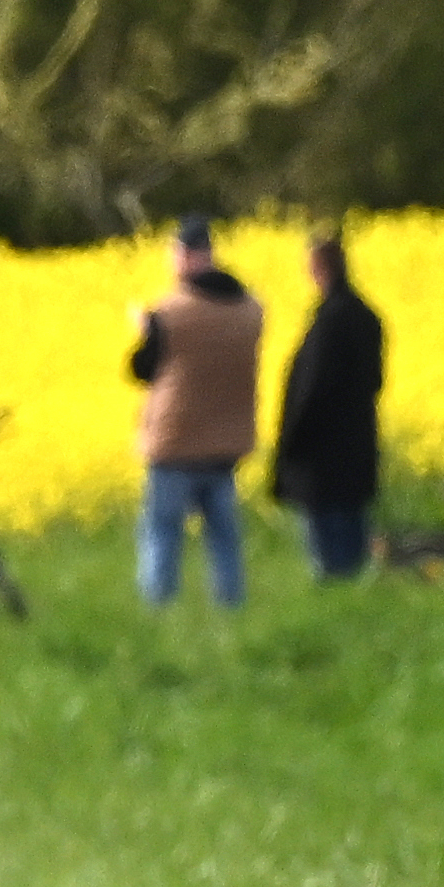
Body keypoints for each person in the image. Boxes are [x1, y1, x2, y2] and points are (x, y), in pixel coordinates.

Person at [129, 216, 265, 607]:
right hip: (227, 444)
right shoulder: (251, 308)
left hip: (175, 443)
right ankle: (231, 611)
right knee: (224, 538)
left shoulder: (169, 312)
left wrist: (144, 329)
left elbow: (141, 370)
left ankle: (159, 611)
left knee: (162, 533)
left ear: (186, 256)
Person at [270, 230, 385, 581]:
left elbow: (311, 390)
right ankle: (356, 605)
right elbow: (376, 381)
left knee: (330, 560)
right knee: (355, 543)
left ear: (319, 269)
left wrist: (288, 444)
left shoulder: (329, 322)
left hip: (321, 459)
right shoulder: (367, 317)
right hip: (358, 447)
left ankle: (339, 605)